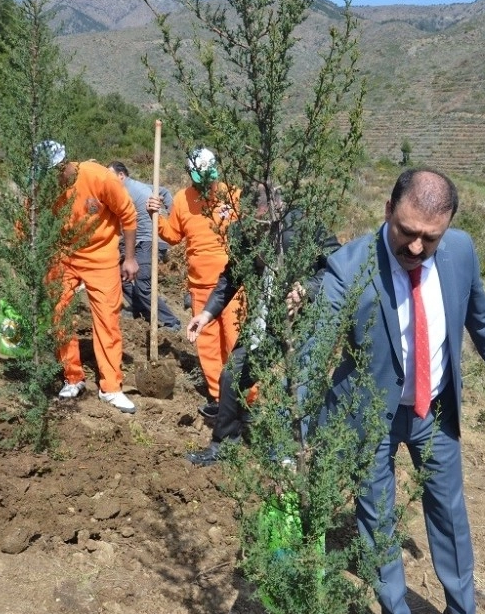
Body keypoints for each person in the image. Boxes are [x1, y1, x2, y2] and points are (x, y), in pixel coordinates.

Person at [317, 168, 485, 614]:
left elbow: (482, 318)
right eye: (407, 232)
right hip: (371, 415)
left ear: (447, 227)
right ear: (388, 210)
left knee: (450, 514)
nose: (415, 247)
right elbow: (316, 347)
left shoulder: (461, 252)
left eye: (430, 238)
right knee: (378, 520)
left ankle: (461, 612)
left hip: (434, 409)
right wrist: (294, 419)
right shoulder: (349, 267)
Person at [185, 187, 340, 466]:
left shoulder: (307, 226)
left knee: (297, 386)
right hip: (266, 318)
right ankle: (224, 445)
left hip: (307, 321)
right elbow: (232, 275)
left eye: (262, 219)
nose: (257, 226)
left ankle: (297, 457)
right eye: (253, 220)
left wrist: (308, 289)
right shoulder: (247, 231)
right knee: (232, 375)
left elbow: (337, 264)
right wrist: (207, 314)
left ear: (278, 206)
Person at [40, 143, 140, 414]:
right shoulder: (44, 187)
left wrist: (129, 258)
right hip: (62, 256)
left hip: (101, 256)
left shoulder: (99, 177)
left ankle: (111, 387)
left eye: (54, 174)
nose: (51, 180)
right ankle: (72, 378)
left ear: (64, 164)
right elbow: (30, 221)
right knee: (60, 314)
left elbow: (128, 216)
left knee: (107, 320)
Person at [147, 147, 242, 417]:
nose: (205, 186)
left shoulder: (233, 195)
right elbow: (173, 235)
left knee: (235, 342)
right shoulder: (182, 199)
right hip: (200, 284)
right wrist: (158, 216)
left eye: (209, 180)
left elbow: (250, 234)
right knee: (208, 345)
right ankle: (218, 399)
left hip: (234, 284)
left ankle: (247, 400)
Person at [107, 161, 181, 331]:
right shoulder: (136, 185)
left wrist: (172, 220)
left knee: (142, 284)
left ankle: (172, 322)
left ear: (121, 175)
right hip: (138, 239)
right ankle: (139, 307)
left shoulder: (126, 190)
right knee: (119, 274)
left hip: (149, 241)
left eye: (110, 175)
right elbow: (163, 191)